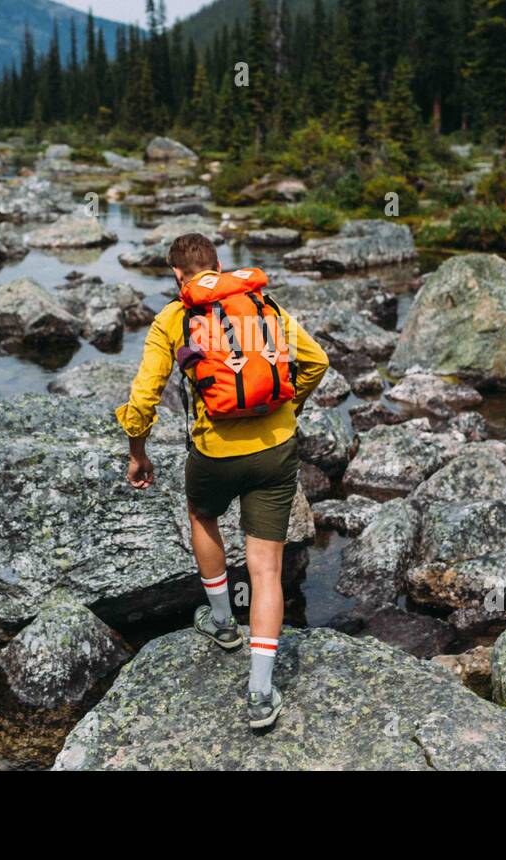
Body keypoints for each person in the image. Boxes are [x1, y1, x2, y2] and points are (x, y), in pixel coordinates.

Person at [115, 232, 329, 728]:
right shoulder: (260, 302)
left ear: (176, 275)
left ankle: (221, 623)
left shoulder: (174, 317)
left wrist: (137, 454)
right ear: (218, 265)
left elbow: (144, 397)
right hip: (276, 451)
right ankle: (259, 694)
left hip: (213, 454)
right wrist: (286, 408)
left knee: (202, 514)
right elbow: (316, 362)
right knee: (267, 571)